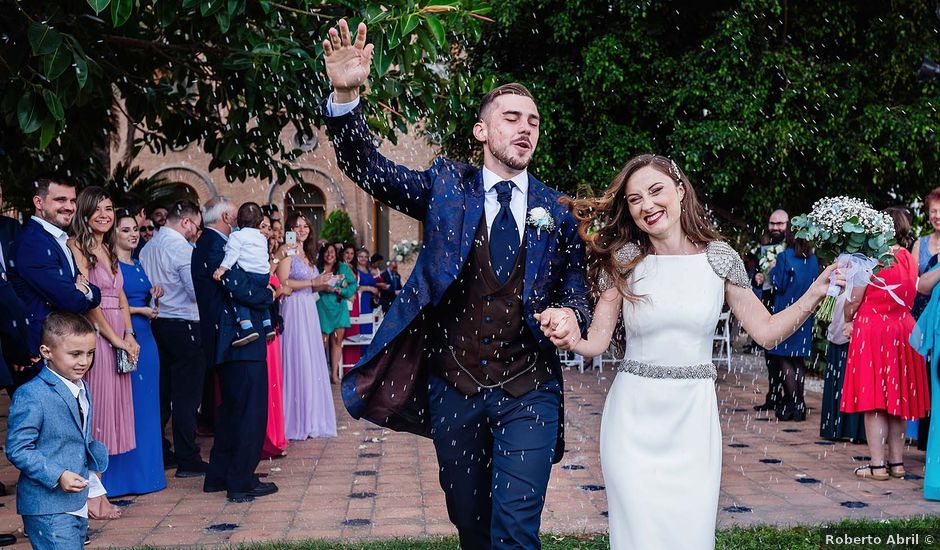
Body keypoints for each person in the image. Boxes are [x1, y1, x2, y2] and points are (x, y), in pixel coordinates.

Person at [323, 20, 591, 548]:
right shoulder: (447, 186)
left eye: (533, 121)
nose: (526, 129)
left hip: (529, 389)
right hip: (456, 389)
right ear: (481, 131)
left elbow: (575, 282)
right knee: (471, 527)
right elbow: (369, 168)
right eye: (511, 117)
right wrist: (345, 97)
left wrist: (572, 312)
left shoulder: (556, 211)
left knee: (516, 529)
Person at [551, 154, 840, 550]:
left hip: (693, 425)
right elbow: (597, 341)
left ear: (680, 191)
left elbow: (767, 332)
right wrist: (570, 338)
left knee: (690, 536)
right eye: (635, 199)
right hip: (631, 424)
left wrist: (816, 292)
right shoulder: (624, 260)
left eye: (656, 191)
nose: (647, 206)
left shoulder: (719, 258)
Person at [6, 312, 109, 549]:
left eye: (90, 353)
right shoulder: (31, 394)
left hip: (75, 501)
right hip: (46, 506)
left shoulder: (81, 385)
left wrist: (93, 463)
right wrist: (58, 474)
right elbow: (18, 448)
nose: (84, 361)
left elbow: (79, 436)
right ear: (46, 352)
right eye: (75, 354)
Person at [841, 207, 929, 481]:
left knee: (874, 401)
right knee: (897, 399)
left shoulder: (871, 259)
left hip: (873, 330)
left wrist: (846, 315)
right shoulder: (908, 258)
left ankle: (878, 466)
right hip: (902, 330)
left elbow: (854, 299)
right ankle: (897, 463)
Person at [67, 188, 139, 514]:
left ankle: (98, 494)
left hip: (116, 333)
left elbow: (120, 297)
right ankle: (92, 499)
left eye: (109, 209)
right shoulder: (77, 245)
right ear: (84, 212)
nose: (104, 215)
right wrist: (115, 339)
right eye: (97, 209)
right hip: (94, 334)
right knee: (95, 416)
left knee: (111, 414)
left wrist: (130, 333)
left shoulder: (108, 247)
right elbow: (89, 302)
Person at [140, 200, 209, 478]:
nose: (195, 231)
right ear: (185, 222)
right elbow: (195, 293)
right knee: (186, 396)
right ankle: (187, 458)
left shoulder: (148, 247)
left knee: (163, 392)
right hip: (185, 324)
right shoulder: (182, 249)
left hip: (157, 323)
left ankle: (161, 450)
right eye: (196, 225)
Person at [9, 177, 102, 373]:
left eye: (73, 200)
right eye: (61, 200)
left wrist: (83, 288)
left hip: (62, 348)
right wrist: (79, 291)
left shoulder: (57, 239)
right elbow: (71, 301)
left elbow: (93, 294)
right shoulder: (33, 242)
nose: (69, 207)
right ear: (38, 202)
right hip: (41, 351)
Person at [110, 210, 167, 495]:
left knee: (147, 407)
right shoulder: (111, 266)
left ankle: (147, 475)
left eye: (136, 229)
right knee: (125, 407)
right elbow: (108, 305)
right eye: (126, 230)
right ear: (114, 234)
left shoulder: (138, 263)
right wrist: (139, 310)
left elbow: (140, 295)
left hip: (147, 338)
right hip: (123, 336)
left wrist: (154, 293)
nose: (133, 234)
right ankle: (123, 479)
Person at [275, 212, 337, 440]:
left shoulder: (308, 254)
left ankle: (311, 418)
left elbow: (311, 286)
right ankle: (294, 419)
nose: (301, 230)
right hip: (292, 307)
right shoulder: (287, 251)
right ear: (289, 229)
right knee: (297, 358)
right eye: (296, 226)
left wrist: (326, 282)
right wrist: (312, 282)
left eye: (305, 226)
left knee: (311, 360)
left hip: (309, 310)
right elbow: (282, 282)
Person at [764, 236, 819, 421]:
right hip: (805, 312)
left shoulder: (784, 256)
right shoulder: (812, 258)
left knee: (785, 357)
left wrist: (772, 271)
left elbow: (779, 284)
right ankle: (799, 404)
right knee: (798, 361)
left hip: (786, 312)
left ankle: (793, 405)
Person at [212, 203, 275, 346]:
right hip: (264, 275)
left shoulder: (237, 236)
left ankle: (247, 328)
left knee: (240, 299)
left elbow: (232, 254)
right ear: (260, 223)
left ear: (238, 221)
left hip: (250, 274)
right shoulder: (261, 237)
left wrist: (222, 268)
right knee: (260, 296)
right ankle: (267, 325)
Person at [752, 209, 789, 411]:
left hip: (785, 304)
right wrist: (757, 278)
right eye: (772, 223)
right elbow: (758, 275)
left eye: (780, 224)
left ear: (788, 225)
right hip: (768, 304)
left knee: (785, 355)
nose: (775, 227)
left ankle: (789, 396)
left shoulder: (792, 250)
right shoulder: (764, 247)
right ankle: (773, 395)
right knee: (770, 353)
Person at [819, 289, 866, 441]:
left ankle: (844, 428)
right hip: (845, 314)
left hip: (855, 316)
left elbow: (856, 297)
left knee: (852, 377)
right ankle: (848, 428)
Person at [260, 214, 288, 459]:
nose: (270, 234)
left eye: (270, 229)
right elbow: (265, 289)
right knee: (267, 385)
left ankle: (275, 437)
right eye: (266, 228)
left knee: (274, 384)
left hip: (274, 322)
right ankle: (266, 439)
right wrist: (278, 289)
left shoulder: (269, 257)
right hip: (263, 325)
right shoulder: (257, 259)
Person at [316, 242, 358, 384]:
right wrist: (323, 287)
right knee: (322, 342)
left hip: (339, 306)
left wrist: (343, 291)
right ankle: (320, 374)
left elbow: (353, 284)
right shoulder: (317, 268)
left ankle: (334, 375)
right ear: (322, 254)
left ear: (336, 254)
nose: (329, 254)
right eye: (326, 252)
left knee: (337, 341)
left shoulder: (342, 268)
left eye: (332, 252)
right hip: (322, 305)